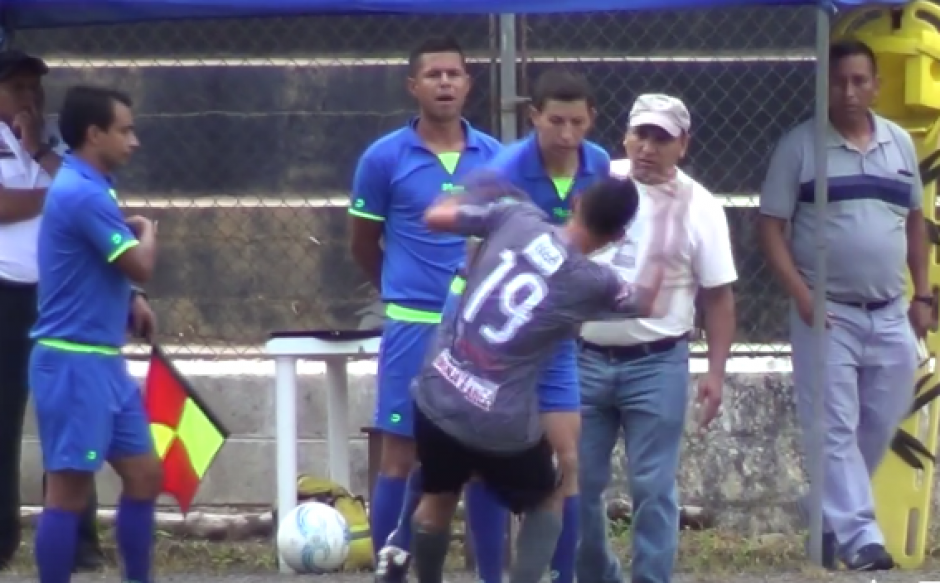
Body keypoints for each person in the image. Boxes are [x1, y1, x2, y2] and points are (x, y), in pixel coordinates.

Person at [374, 69, 610, 583]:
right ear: (534, 118)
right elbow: (473, 244)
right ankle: (454, 564)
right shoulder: (506, 168)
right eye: (555, 122)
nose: (566, 135)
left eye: (576, 122)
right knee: (472, 456)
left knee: (567, 459)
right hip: (492, 338)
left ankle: (559, 575)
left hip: (551, 339)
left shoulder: (601, 169)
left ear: (592, 119)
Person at [408, 173, 688, 583]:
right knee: (550, 496)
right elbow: (649, 302)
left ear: (576, 202)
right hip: (498, 421)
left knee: (437, 498)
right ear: (617, 236)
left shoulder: (515, 216)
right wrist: (665, 229)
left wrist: (477, 186)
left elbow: (435, 217)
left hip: (438, 390)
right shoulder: (592, 282)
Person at [758, 39, 927, 572]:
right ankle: (861, 539)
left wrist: (922, 293)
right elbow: (770, 228)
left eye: (859, 80)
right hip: (827, 311)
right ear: (824, 85)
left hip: (892, 310)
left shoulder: (899, 144)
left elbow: (916, 223)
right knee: (833, 425)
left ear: (875, 85)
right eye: (838, 81)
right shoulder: (800, 147)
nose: (849, 91)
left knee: (882, 416)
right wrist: (803, 295)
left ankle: (829, 517)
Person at [347, 35, 502, 563]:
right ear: (413, 85)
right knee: (401, 454)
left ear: (468, 83)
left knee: (483, 455)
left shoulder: (497, 158)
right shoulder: (383, 157)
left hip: (480, 332)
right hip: (412, 324)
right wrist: (401, 289)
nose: (444, 83)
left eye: (453, 74)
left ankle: (489, 573)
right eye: (432, 75)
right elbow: (363, 243)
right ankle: (391, 565)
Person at [575, 94, 737, 583]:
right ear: (625, 136)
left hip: (656, 361)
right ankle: (598, 575)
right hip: (584, 357)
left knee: (652, 486)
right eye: (640, 135)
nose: (647, 147)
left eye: (661, 138)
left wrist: (715, 371)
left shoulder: (700, 206)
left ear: (682, 145)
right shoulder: (599, 184)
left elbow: (719, 295)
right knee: (577, 483)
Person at [30, 84, 162, 583]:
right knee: (68, 489)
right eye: (125, 130)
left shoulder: (93, 186)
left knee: (144, 474)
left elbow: (98, 265)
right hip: (71, 362)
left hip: (103, 361)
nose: (135, 141)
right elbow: (141, 262)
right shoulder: (81, 191)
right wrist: (148, 231)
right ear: (94, 133)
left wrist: (130, 297)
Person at [0, 50, 103, 571]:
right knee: (3, 416)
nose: (29, 97)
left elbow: (84, 189)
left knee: (68, 416)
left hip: (59, 297)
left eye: (35, 87)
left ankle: (78, 539)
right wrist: (57, 196)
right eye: (17, 87)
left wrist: (38, 148)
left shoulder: (53, 144)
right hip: (5, 294)